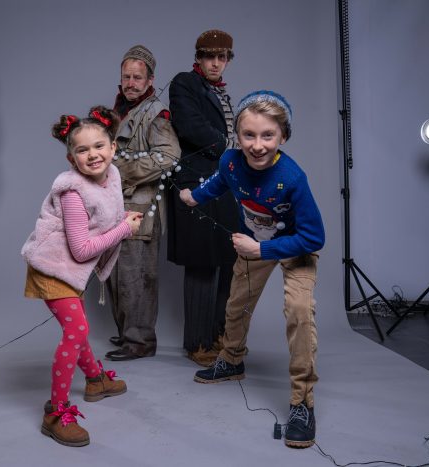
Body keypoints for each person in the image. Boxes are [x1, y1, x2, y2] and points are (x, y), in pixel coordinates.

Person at [179, 91, 325, 448]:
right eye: (249, 135)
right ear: (238, 136)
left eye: (268, 136)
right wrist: (195, 196)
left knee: (299, 311)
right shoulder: (230, 161)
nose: (257, 145)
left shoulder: (293, 178)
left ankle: (302, 402)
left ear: (283, 137)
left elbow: (314, 236)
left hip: (294, 246)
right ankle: (231, 360)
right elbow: (221, 181)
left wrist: (261, 249)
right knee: (237, 305)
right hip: (255, 242)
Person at [21, 106, 143, 447]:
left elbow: (103, 216)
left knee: (79, 329)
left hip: (70, 268)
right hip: (52, 268)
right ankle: (55, 412)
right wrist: (124, 229)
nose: (93, 155)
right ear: (71, 158)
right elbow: (81, 250)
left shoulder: (112, 175)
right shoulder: (72, 192)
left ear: (113, 147)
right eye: (82, 150)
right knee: (77, 330)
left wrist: (122, 218)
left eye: (99, 146)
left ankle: (95, 380)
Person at [105, 45, 181, 361]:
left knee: (136, 276)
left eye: (138, 77)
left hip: (141, 207)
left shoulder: (156, 113)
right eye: (127, 77)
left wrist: (118, 169)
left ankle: (140, 341)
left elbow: (169, 156)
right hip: (116, 206)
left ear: (150, 80)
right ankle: (128, 333)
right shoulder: (120, 109)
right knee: (117, 274)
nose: (131, 83)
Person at [167, 29, 238, 367]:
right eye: (209, 56)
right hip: (195, 183)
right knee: (202, 263)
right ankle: (197, 343)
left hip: (222, 183)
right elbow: (190, 127)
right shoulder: (185, 83)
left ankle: (218, 335)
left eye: (221, 57)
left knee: (227, 259)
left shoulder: (221, 92)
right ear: (198, 57)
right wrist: (234, 148)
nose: (215, 63)